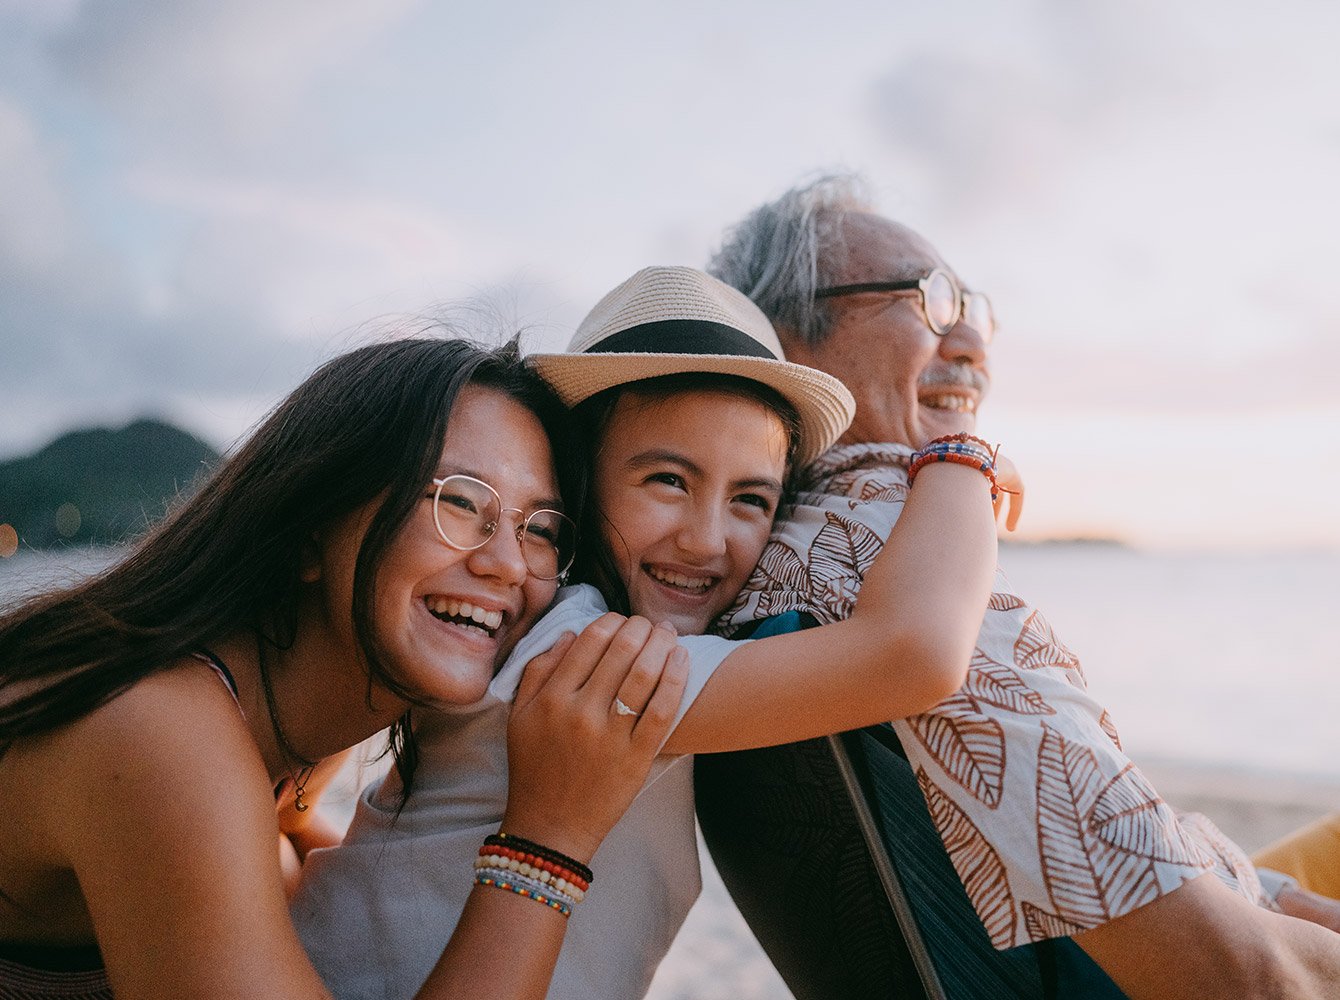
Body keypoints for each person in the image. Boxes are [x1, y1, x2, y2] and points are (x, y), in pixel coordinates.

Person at [698, 173, 1340, 999]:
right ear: (785, 340)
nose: (971, 339)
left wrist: (1282, 901)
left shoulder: (779, 553)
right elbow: (1245, 976)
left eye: (974, 303)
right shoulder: (898, 551)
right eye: (927, 298)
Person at [292, 265, 1009, 999]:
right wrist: (960, 461)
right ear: (576, 481)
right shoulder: (593, 660)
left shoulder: (523, 626)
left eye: (751, 499)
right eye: (668, 480)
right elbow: (914, 654)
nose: (705, 541)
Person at [0, 336, 692, 999]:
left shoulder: (295, 741)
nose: (509, 564)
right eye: (457, 501)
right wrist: (547, 840)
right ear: (309, 525)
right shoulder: (160, 730)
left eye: (539, 529)